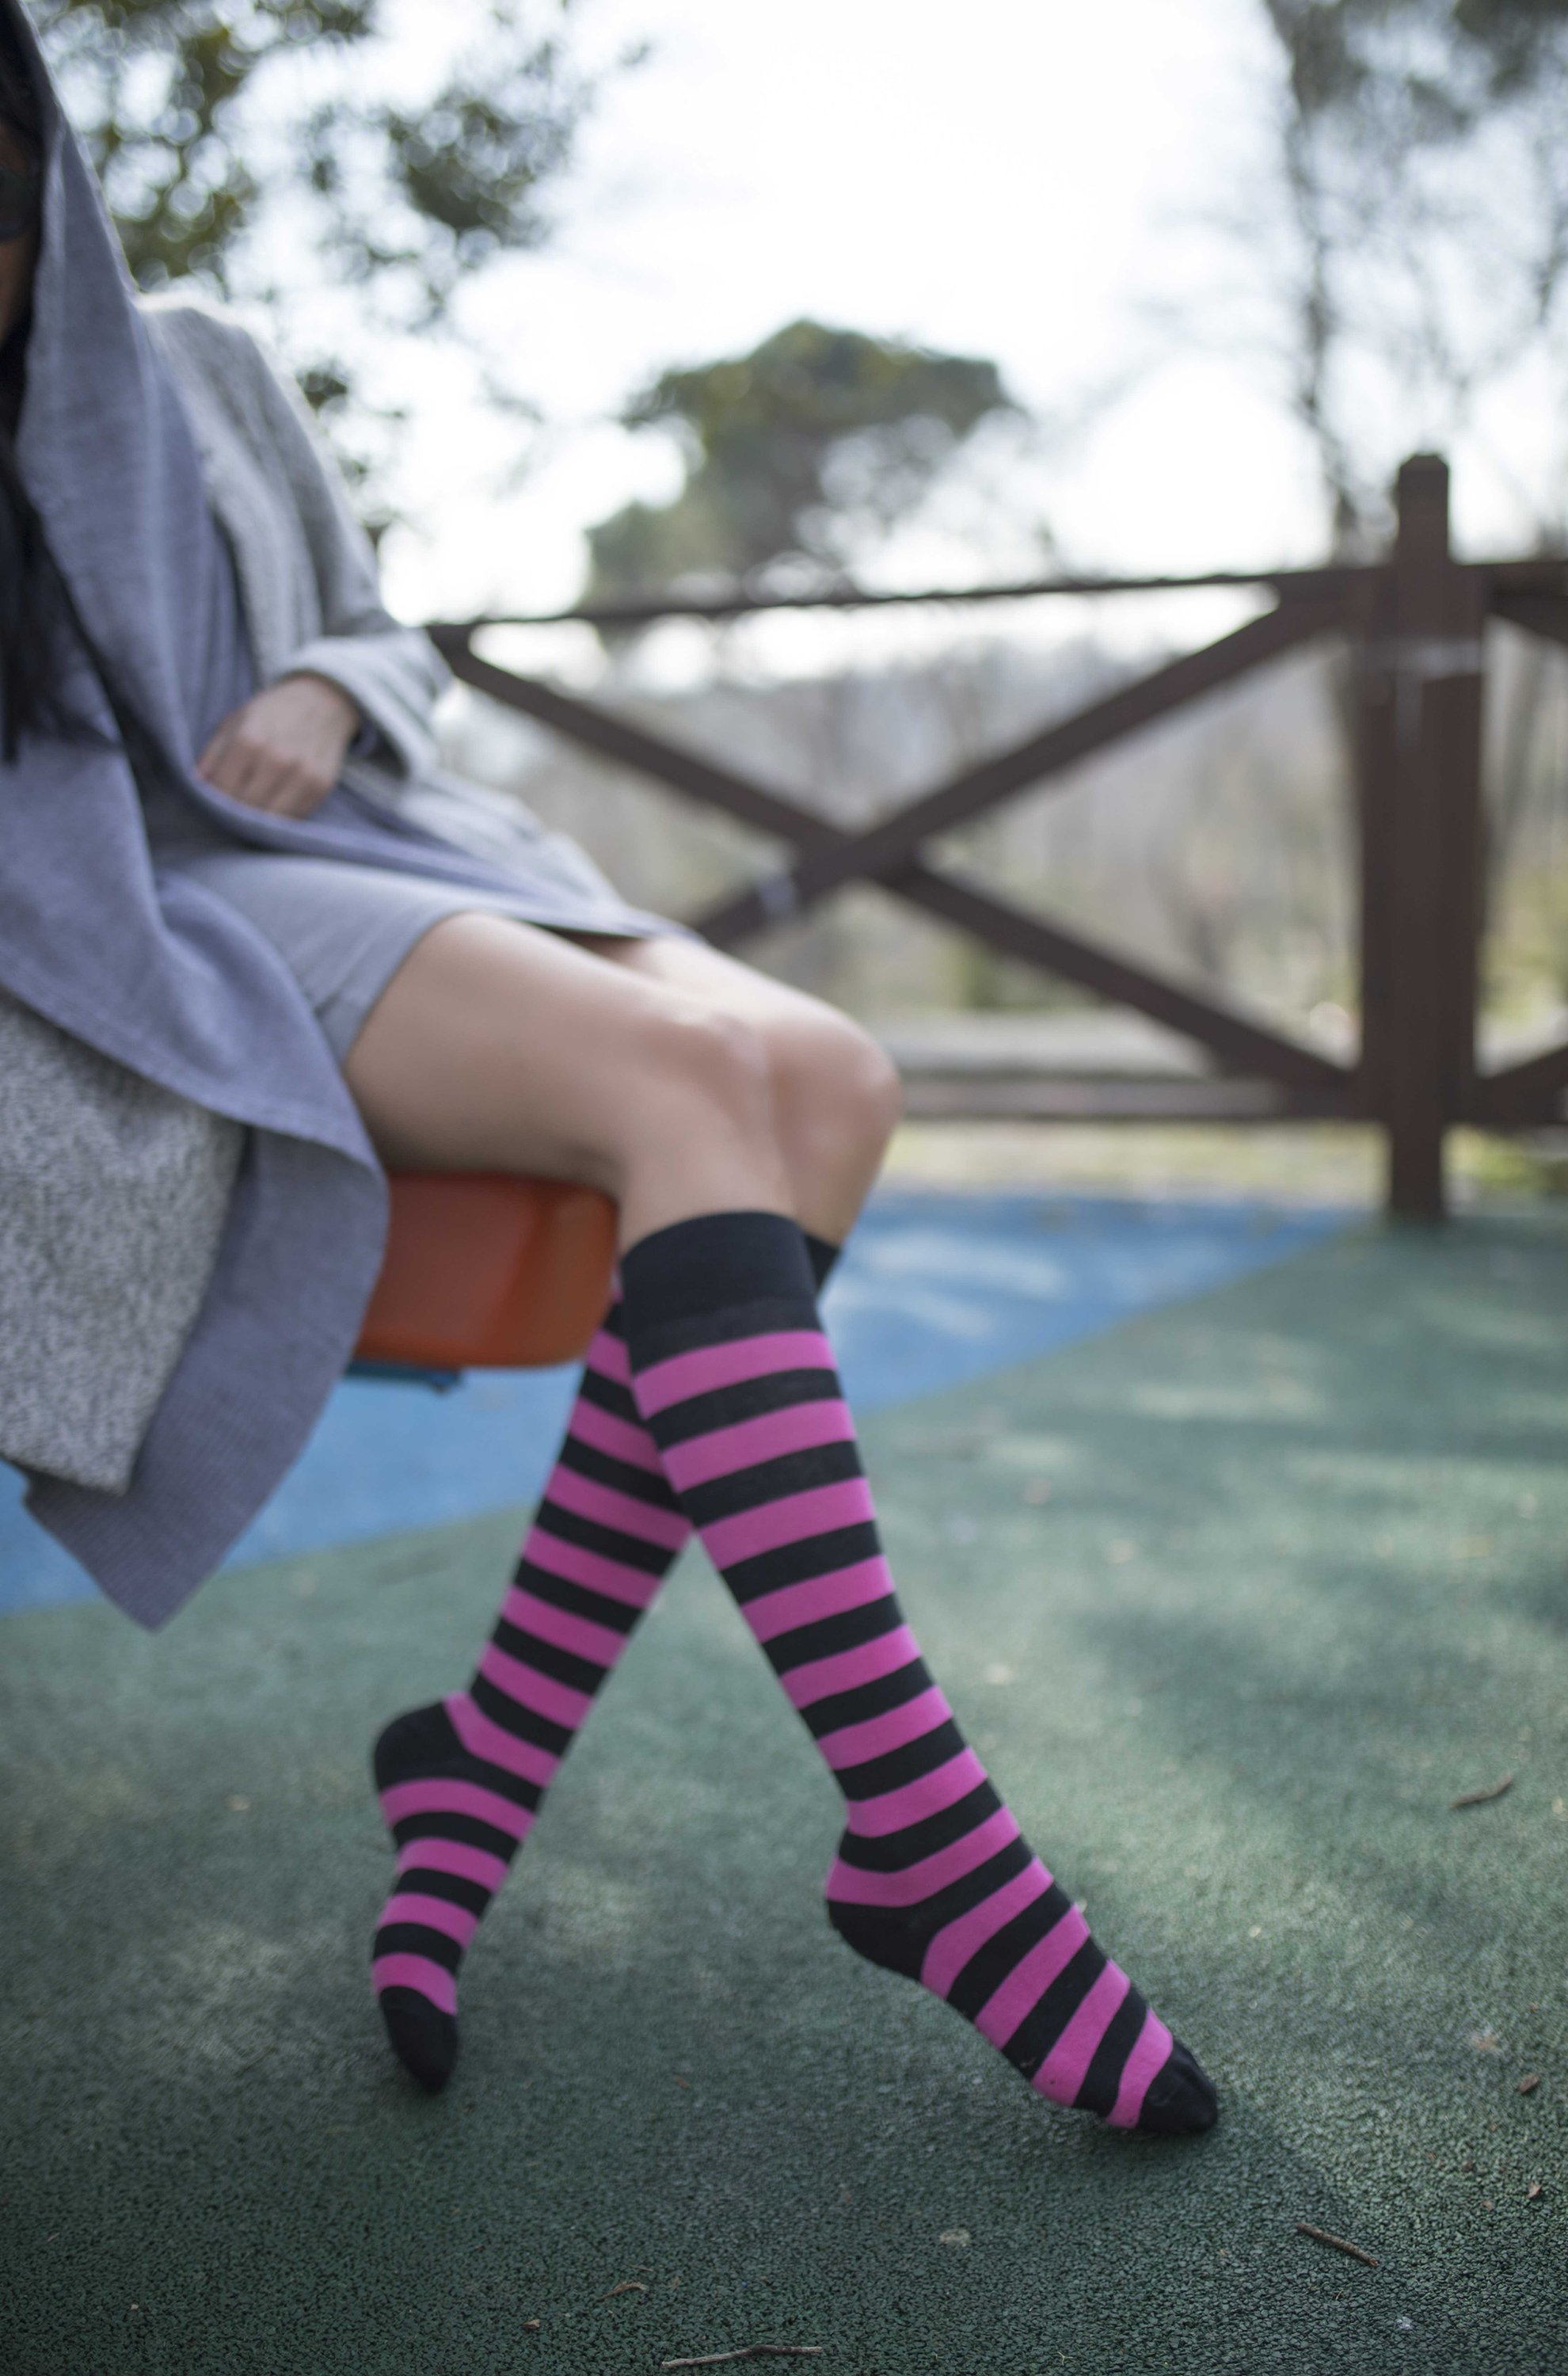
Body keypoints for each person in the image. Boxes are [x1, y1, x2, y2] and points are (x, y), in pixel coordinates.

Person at [0, 6, 1215, 2134]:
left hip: (370, 836)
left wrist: (313, 678)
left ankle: (475, 1770)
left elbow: (384, 625)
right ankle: (927, 1836)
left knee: (827, 1075)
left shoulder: (197, 358)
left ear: (37, 162)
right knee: (677, 1084)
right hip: (150, 914)